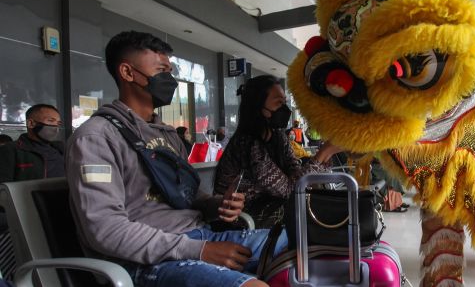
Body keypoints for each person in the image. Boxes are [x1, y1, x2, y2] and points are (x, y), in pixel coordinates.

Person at [66, 31, 285, 287]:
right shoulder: (96, 138)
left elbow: (189, 198)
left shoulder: (167, 135)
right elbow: (106, 230)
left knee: (300, 243)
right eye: (161, 70)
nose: (170, 79)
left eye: (170, 71)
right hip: (145, 262)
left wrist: (218, 205)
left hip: (198, 238)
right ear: (127, 73)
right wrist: (198, 251)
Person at [214, 75, 341, 229]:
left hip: (267, 211)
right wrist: (324, 152)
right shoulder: (247, 144)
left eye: (284, 102)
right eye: (278, 103)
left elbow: (296, 175)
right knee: (304, 207)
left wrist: (328, 153)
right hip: (240, 220)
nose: (284, 109)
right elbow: (291, 190)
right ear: (257, 106)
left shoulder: (278, 137)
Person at [0, 104, 65, 182]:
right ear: (31, 123)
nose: (55, 127)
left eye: (58, 124)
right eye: (50, 121)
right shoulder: (10, 151)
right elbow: (4, 188)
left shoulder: (61, 149)